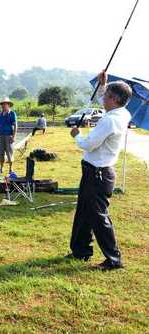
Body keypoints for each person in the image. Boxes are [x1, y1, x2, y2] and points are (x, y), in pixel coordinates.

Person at [67, 70, 132, 270]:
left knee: (98, 216)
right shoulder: (121, 113)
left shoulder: (110, 120)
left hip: (98, 174)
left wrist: (77, 135)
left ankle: (114, 259)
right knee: (84, 212)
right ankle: (81, 251)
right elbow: (106, 109)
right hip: (95, 172)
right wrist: (104, 84)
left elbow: (89, 144)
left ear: (113, 99)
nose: (102, 98)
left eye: (105, 95)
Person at [0, 97, 18, 174]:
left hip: (9, 136)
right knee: (0, 152)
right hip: (0, 136)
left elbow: (15, 125)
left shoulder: (12, 114)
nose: (3, 106)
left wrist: (14, 136)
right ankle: (1, 168)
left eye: (4, 104)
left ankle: (11, 168)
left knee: (9, 152)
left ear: (8, 105)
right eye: (2, 104)